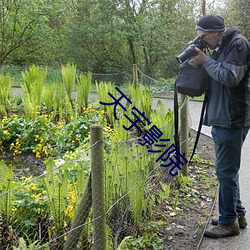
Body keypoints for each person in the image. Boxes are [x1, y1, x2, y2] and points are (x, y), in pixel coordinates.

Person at [192, 15, 250, 238]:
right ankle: (237, 214)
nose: (203, 41)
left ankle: (228, 223)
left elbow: (229, 77)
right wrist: (202, 60)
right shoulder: (221, 46)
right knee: (227, 171)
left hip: (232, 118)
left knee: (225, 171)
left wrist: (205, 61)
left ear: (216, 32)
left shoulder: (238, 44)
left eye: (204, 37)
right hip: (222, 117)